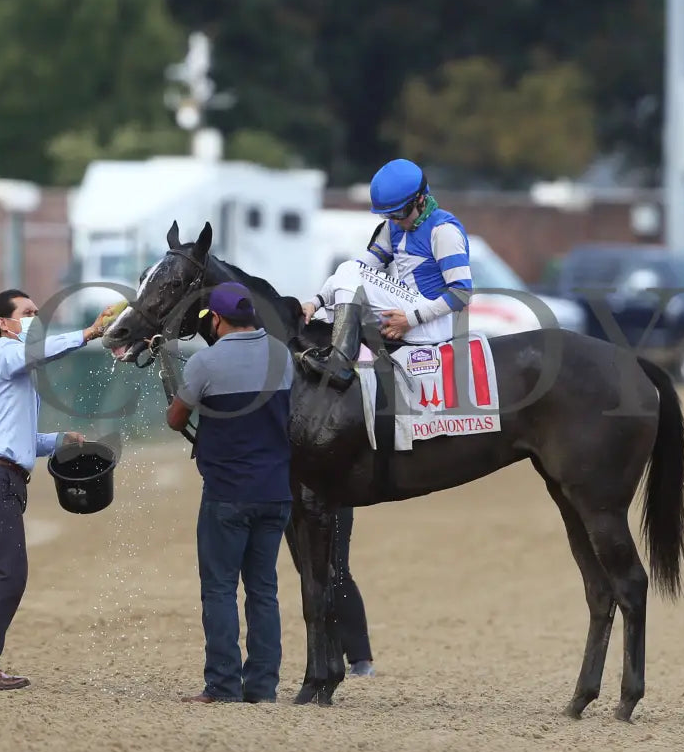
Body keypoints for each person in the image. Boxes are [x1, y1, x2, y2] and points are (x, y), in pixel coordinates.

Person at [0, 289, 115, 691]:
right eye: (27, 312)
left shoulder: (15, 369)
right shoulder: (4, 356)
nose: (36, 317)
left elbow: (16, 439)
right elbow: (39, 352)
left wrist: (59, 440)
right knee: (10, 573)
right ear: (4, 324)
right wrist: (89, 332)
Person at [165, 281, 294, 704]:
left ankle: (222, 685)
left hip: (227, 492)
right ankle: (262, 687)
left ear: (217, 319)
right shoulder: (282, 354)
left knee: (220, 589)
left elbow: (176, 419)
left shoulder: (206, 361)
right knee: (263, 590)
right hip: (275, 490)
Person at [300, 158, 474, 390]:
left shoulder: (443, 231)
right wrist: (316, 301)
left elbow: (462, 293)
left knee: (351, 273)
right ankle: (335, 353)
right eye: (388, 215)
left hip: (436, 326)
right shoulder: (391, 228)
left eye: (399, 213)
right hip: (407, 313)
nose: (395, 221)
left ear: (420, 199)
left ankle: (340, 363)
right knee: (346, 276)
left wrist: (410, 320)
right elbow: (356, 270)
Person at [332, 506, 375, 677]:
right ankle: (329, 651)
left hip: (333, 498)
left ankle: (360, 656)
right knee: (309, 573)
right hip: (290, 499)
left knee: (337, 571)